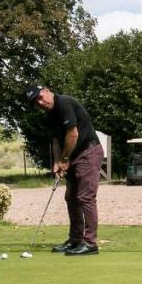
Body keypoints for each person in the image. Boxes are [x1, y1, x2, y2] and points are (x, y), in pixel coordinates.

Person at [26, 85, 104, 256]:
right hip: (74, 156)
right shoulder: (50, 116)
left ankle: (90, 243)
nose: (40, 103)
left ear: (46, 90)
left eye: (39, 97)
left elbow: (73, 134)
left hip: (88, 152)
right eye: (35, 103)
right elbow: (56, 140)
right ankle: (75, 239)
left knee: (85, 197)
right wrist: (56, 162)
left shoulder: (64, 103)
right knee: (71, 197)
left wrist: (64, 159)